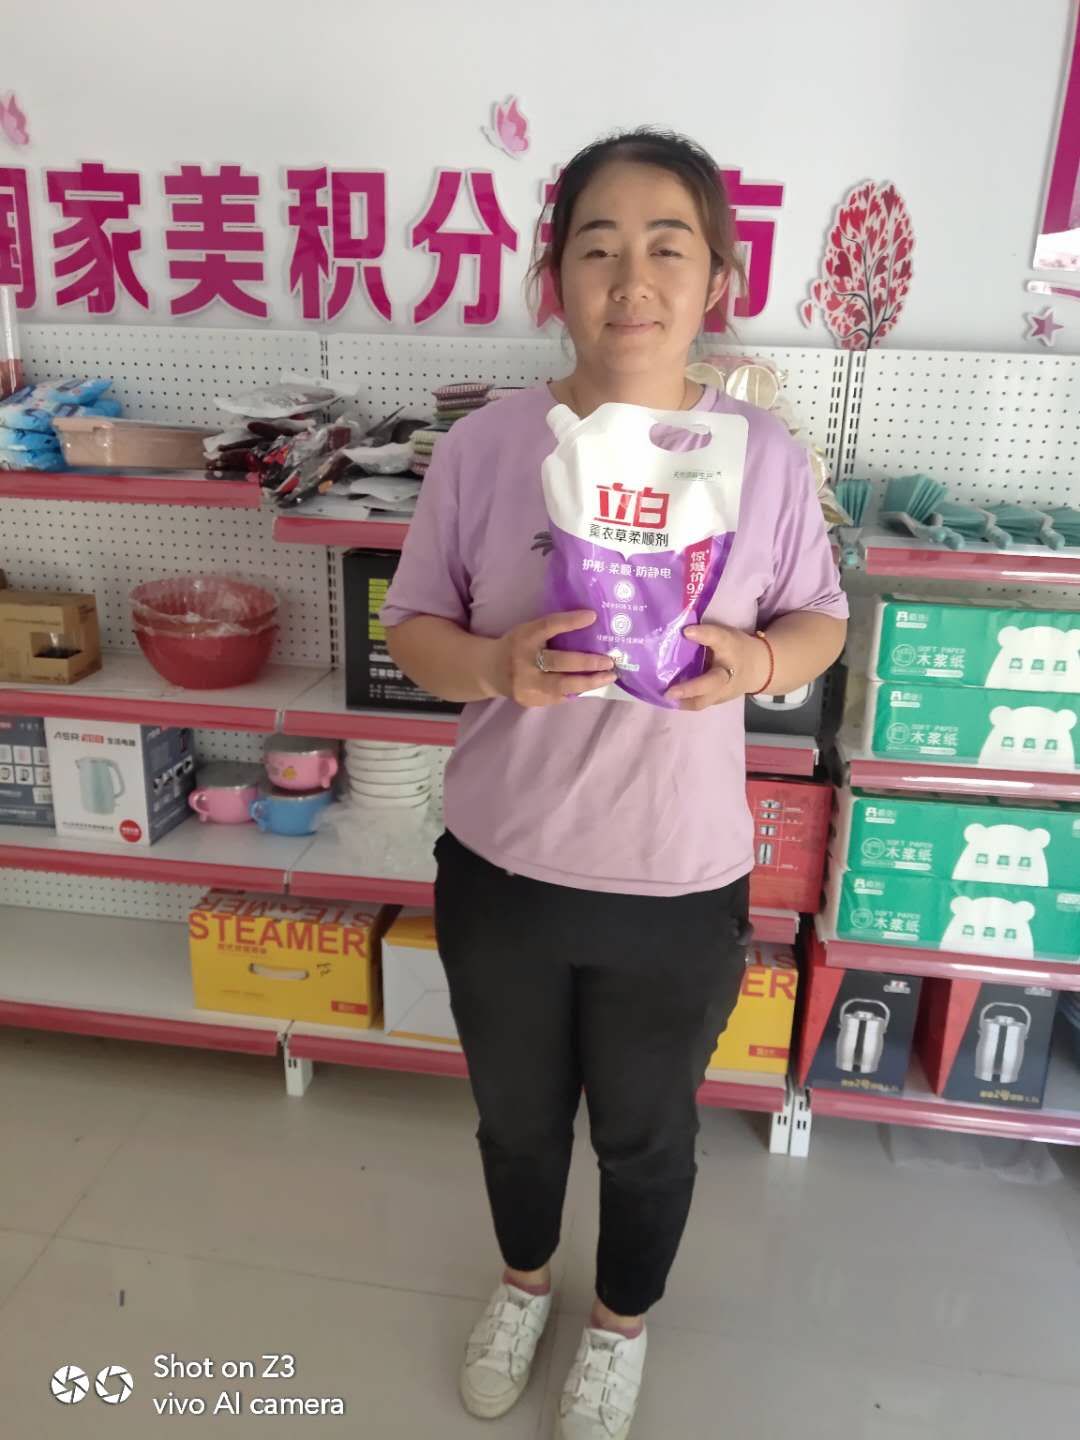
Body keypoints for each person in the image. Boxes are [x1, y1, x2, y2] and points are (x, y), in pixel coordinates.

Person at [382, 128, 848, 1440]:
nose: (631, 278)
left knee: (648, 1134)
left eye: (666, 247)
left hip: (675, 879)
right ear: (555, 280)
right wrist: (494, 665)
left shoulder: (760, 455)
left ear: (717, 281)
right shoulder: (487, 447)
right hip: (504, 867)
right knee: (516, 1123)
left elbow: (820, 618)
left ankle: (619, 1327)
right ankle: (524, 1285)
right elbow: (414, 630)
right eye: (597, 247)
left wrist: (759, 659)